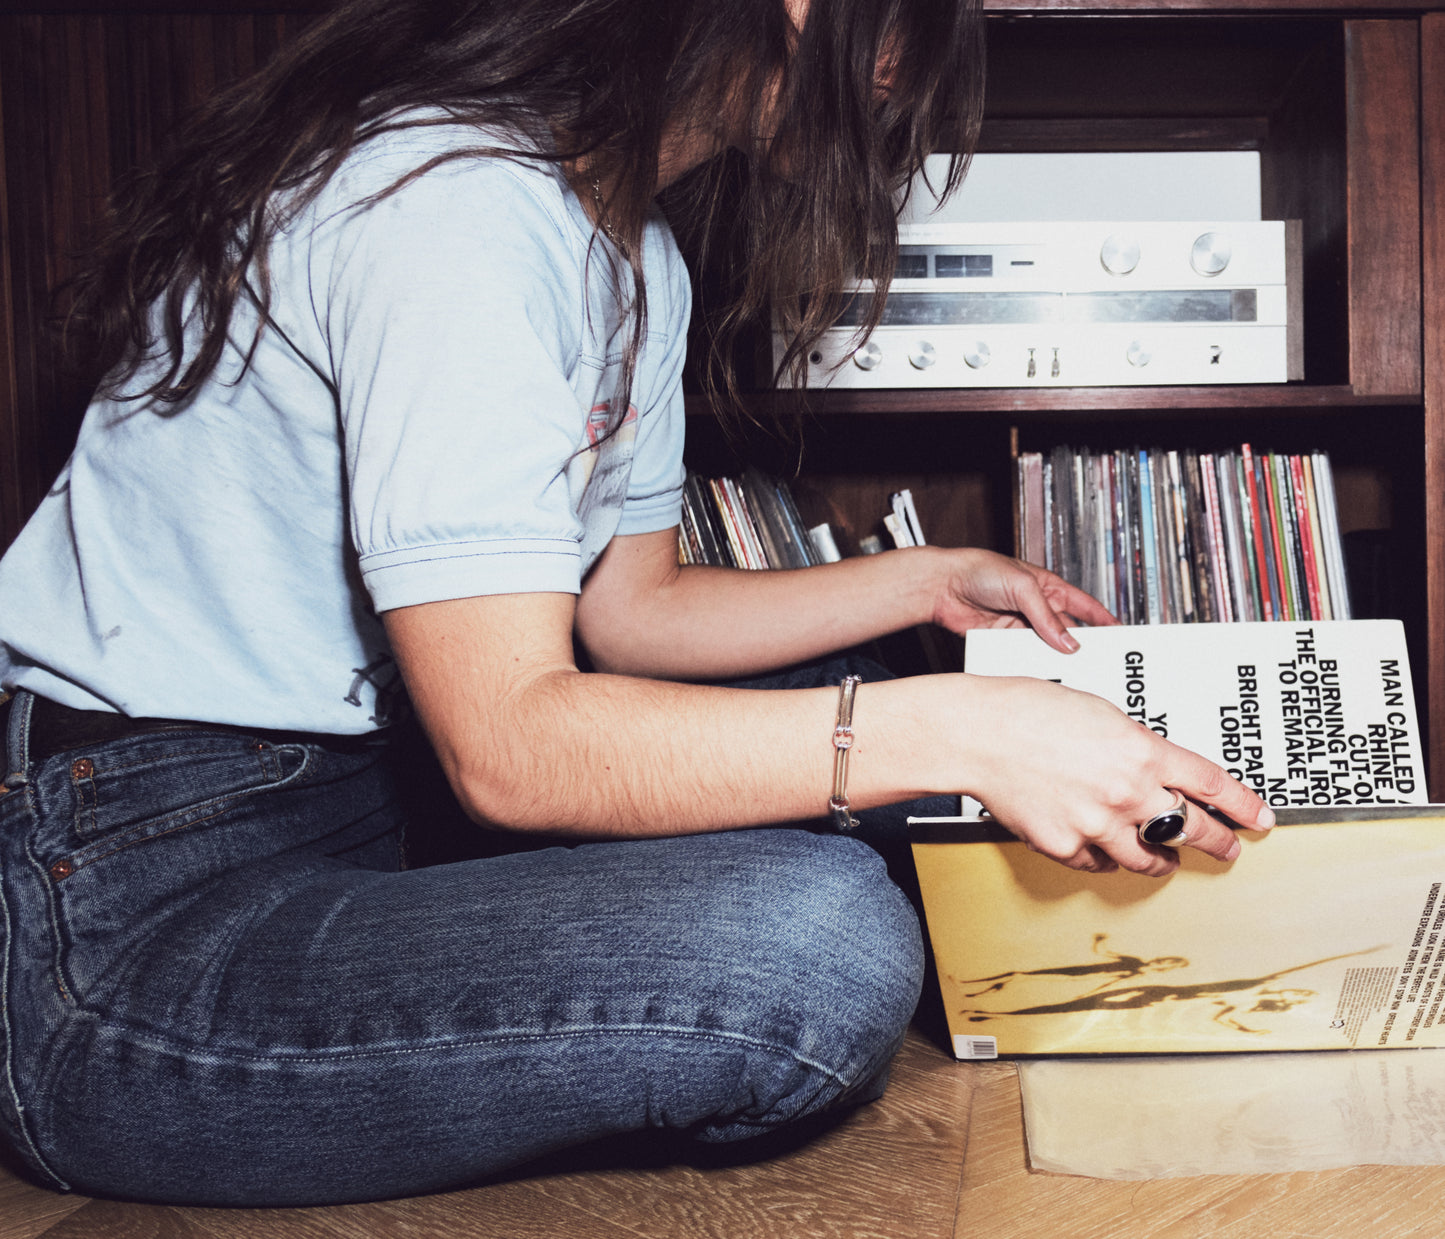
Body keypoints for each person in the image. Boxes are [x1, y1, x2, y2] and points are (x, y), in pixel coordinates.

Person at [0, 0, 1273, 1208]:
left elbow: (633, 612)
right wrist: (955, 735)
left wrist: (928, 582)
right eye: (894, 21)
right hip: (122, 911)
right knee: (812, 944)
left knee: (852, 722)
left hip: (365, 808)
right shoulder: (451, 205)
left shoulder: (626, 244)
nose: (903, 72)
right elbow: (510, 747)